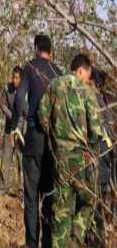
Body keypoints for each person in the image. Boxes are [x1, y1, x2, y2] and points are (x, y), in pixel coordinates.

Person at [38, 53, 102, 248]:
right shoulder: (87, 92)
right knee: (89, 202)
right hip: (82, 159)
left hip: (61, 160)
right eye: (87, 75)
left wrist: (55, 141)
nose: (86, 79)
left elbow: (43, 117)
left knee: (61, 213)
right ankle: (74, 242)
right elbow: (96, 131)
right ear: (81, 70)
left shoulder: (54, 85)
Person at [11, 33, 62, 248]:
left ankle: (32, 245)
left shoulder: (30, 68)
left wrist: (15, 127)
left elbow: (19, 102)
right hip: (53, 143)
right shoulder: (58, 73)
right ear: (51, 52)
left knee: (31, 197)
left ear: (35, 49)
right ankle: (48, 244)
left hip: (33, 138)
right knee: (49, 196)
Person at [86, 67, 114, 248]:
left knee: (93, 209)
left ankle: (96, 242)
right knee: (100, 208)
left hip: (96, 164)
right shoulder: (106, 103)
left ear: (92, 83)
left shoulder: (92, 101)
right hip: (105, 165)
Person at [0, 66, 24, 199]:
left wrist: (21, 125)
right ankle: (2, 190)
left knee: (22, 164)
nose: (15, 80)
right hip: (9, 130)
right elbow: (2, 104)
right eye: (14, 77)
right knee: (5, 161)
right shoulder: (7, 88)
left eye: (18, 78)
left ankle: (22, 194)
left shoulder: (26, 91)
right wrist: (11, 117)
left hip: (22, 133)